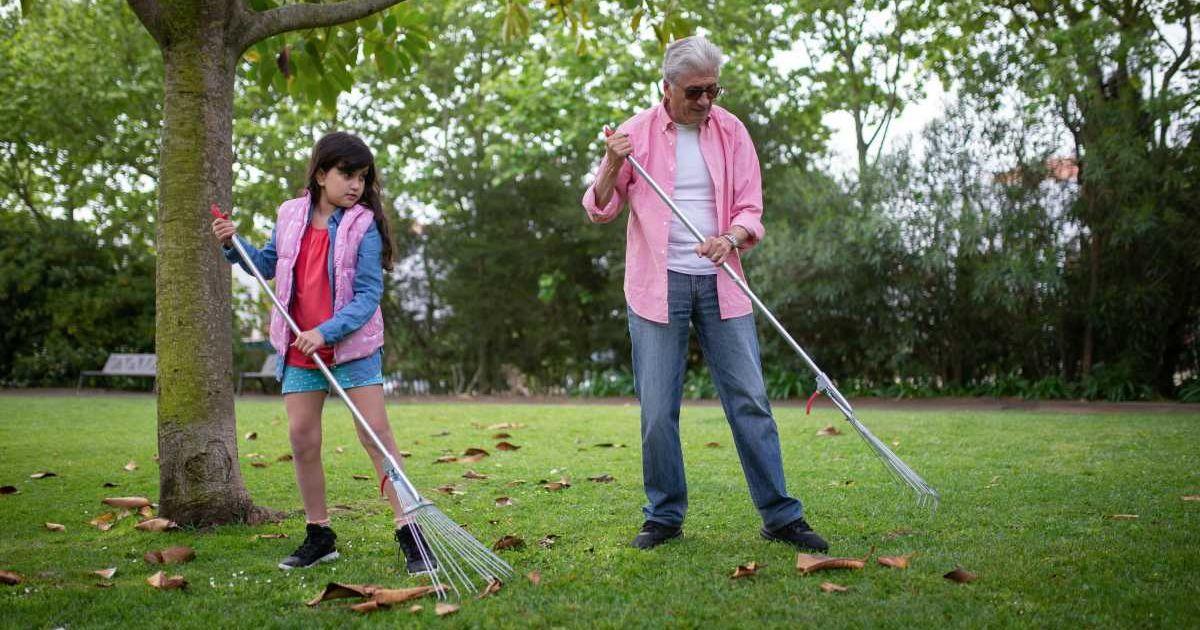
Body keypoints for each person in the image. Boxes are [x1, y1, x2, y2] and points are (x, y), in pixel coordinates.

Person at [581, 36, 828, 552]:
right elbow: (599, 208)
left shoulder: (731, 130)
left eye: (713, 91)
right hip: (657, 285)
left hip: (723, 282)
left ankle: (781, 516)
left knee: (750, 400)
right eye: (695, 92)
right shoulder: (633, 134)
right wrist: (609, 163)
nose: (705, 102)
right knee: (657, 410)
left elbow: (750, 209)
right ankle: (664, 517)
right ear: (667, 88)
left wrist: (730, 238)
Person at [211, 131, 433, 573]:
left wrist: (325, 332)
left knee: (376, 440)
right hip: (299, 350)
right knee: (302, 440)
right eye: (346, 174)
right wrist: (232, 245)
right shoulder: (290, 214)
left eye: (362, 177)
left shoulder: (363, 224)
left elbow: (368, 295)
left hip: (351, 348)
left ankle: (411, 531)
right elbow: (268, 264)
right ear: (320, 174)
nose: (355, 185)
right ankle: (320, 535)